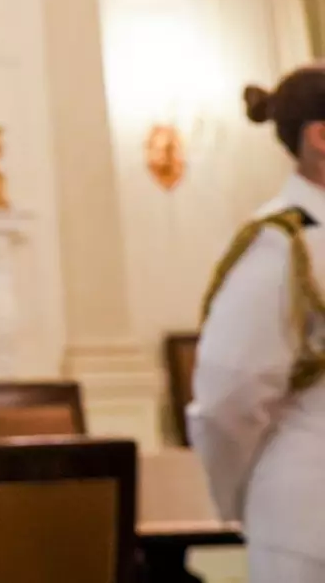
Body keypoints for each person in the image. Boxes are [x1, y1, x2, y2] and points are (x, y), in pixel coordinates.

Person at [191, 66, 325, 583]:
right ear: (319, 137)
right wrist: (239, 495)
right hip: (311, 519)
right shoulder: (284, 242)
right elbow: (232, 393)